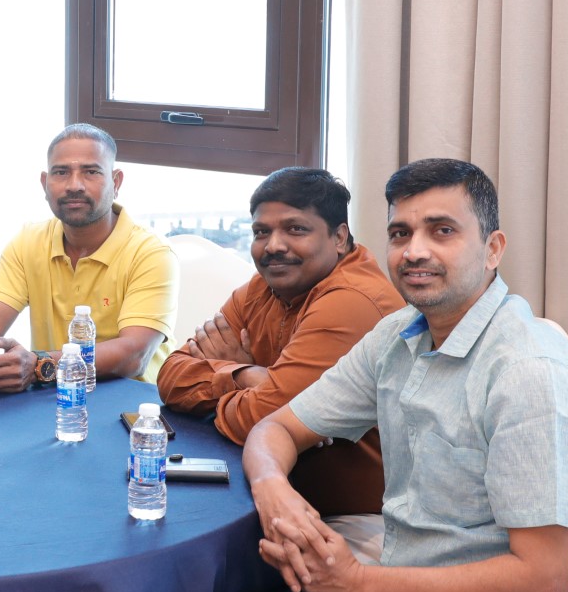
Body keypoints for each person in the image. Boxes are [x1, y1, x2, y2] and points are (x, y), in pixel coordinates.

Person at [207, 159, 568, 592]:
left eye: (442, 231)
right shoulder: (398, 337)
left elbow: (542, 582)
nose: (414, 251)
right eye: (401, 233)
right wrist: (272, 487)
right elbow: (275, 426)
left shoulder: (531, 373)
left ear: (492, 249)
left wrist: (358, 583)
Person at [156, 168, 401, 528]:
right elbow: (170, 377)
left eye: (295, 229)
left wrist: (257, 392)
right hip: (274, 492)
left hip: (357, 519)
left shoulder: (352, 300)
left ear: (338, 237)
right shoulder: (262, 287)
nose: (273, 246)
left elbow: (263, 421)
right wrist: (246, 375)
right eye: (261, 232)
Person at [0, 124, 176, 392]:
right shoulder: (29, 241)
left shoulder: (151, 252)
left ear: (116, 183)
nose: (74, 185)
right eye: (61, 172)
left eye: (91, 172)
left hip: (132, 405)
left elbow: (134, 355)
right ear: (45, 184)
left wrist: (40, 364)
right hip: (52, 398)